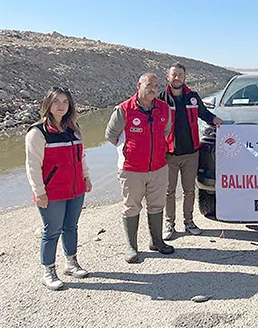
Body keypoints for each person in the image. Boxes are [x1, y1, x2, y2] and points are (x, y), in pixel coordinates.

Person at [25, 87, 93, 290]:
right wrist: (39, 192)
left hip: (75, 189)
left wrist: (86, 177)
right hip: (52, 192)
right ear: (48, 104)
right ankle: (48, 271)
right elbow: (32, 166)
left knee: (71, 227)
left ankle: (71, 263)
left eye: (65, 102)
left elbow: (81, 156)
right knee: (52, 231)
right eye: (56, 101)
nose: (61, 106)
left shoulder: (73, 128)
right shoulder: (38, 132)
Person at [105, 73, 174, 263]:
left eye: (157, 86)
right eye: (149, 84)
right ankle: (131, 247)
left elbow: (166, 131)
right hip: (131, 170)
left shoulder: (164, 109)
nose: (153, 89)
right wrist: (129, 151)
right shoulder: (124, 109)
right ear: (139, 85)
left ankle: (157, 241)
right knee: (131, 206)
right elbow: (110, 135)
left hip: (158, 168)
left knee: (157, 205)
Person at [158, 63, 222, 240]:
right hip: (169, 154)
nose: (177, 77)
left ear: (185, 77)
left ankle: (189, 222)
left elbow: (205, 114)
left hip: (191, 153)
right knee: (169, 191)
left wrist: (218, 121)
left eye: (180, 74)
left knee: (189, 190)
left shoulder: (192, 97)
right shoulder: (160, 99)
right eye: (174, 74)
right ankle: (169, 224)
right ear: (168, 77)